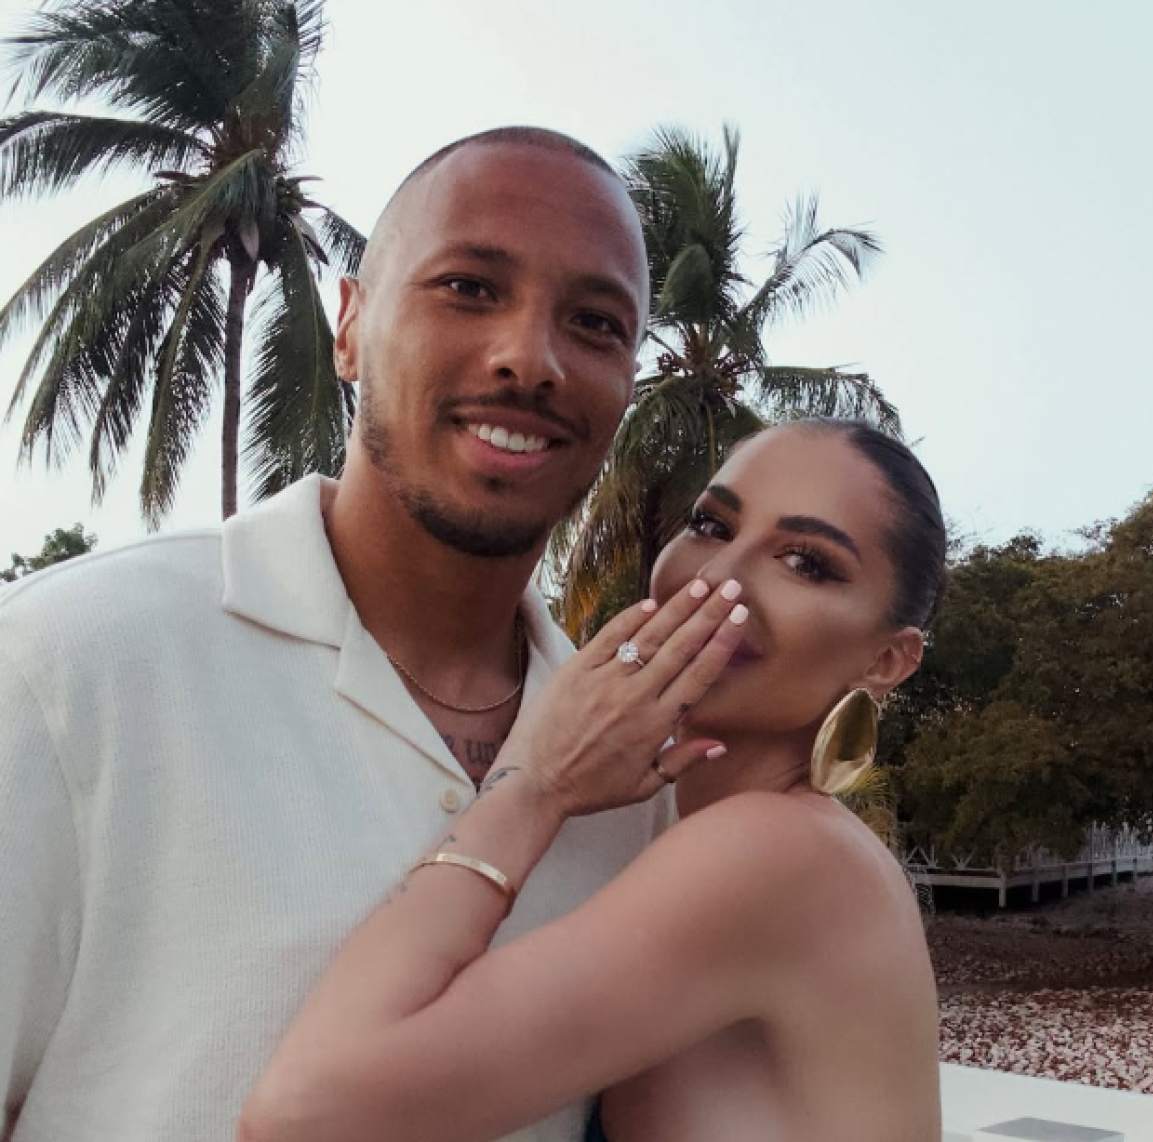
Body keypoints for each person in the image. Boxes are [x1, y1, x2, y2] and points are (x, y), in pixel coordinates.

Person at [0, 127, 681, 1142]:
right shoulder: (74, 658)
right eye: (469, 288)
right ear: (351, 326)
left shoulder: (631, 778)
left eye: (594, 323)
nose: (529, 359)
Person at [239, 418, 948, 1142]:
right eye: (712, 525)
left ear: (886, 661)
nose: (715, 579)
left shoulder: (781, 852)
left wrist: (533, 782)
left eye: (805, 562)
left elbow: (304, 1117)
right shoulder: (706, 832)